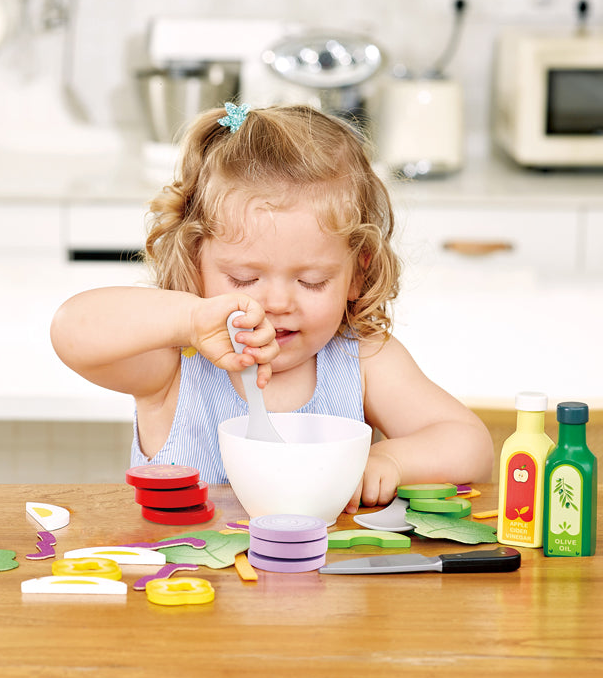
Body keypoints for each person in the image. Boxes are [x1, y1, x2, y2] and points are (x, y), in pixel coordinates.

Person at [50, 103, 493, 512]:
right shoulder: (172, 365)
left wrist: (393, 461)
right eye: (243, 279)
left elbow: (471, 444)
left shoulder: (362, 358)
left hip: (324, 591)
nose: (278, 303)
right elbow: (71, 331)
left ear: (357, 274)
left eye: (311, 281)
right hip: (185, 588)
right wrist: (189, 320)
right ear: (194, 260)